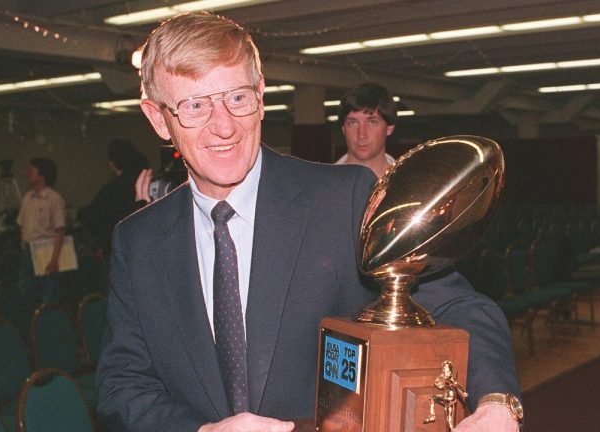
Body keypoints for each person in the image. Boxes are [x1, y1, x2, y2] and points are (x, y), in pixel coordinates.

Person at [96, 11, 521, 432]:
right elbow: (122, 385)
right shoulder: (138, 242)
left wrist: (496, 403)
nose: (223, 126)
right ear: (157, 119)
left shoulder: (342, 199)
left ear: (260, 96)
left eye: (237, 98)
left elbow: (459, 306)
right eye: (194, 106)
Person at [78, 139, 148, 255]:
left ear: (112, 163)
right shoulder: (145, 180)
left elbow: (93, 215)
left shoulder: (112, 189)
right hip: (141, 241)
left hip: (117, 245)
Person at [16, 158, 65, 304]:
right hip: (29, 250)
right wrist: (22, 241)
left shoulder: (54, 199)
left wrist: (55, 258)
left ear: (42, 176)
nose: (27, 174)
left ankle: (47, 323)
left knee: (48, 293)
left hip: (47, 250)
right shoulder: (27, 197)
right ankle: (30, 322)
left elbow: (60, 230)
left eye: (31, 171)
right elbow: (21, 223)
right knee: (25, 289)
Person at [335, 82, 397, 178]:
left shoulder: (410, 184)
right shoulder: (322, 186)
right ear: (343, 129)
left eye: (372, 122)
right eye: (353, 123)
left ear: (389, 128)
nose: (361, 135)